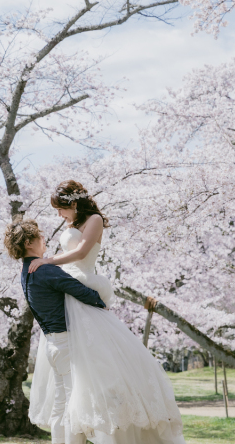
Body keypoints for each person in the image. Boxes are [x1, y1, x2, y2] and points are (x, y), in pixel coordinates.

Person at [24, 180, 186, 444]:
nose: (59, 216)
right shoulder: (72, 225)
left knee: (97, 368)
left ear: (74, 204)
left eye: (61, 209)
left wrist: (48, 260)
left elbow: (82, 251)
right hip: (69, 292)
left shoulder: (94, 220)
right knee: (70, 378)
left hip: (83, 284)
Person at [5, 218, 107, 444]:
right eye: (40, 236)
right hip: (67, 344)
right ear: (30, 242)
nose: (44, 240)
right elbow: (84, 293)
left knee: (61, 404)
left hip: (53, 344)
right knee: (74, 403)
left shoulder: (27, 271)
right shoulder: (45, 270)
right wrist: (102, 300)